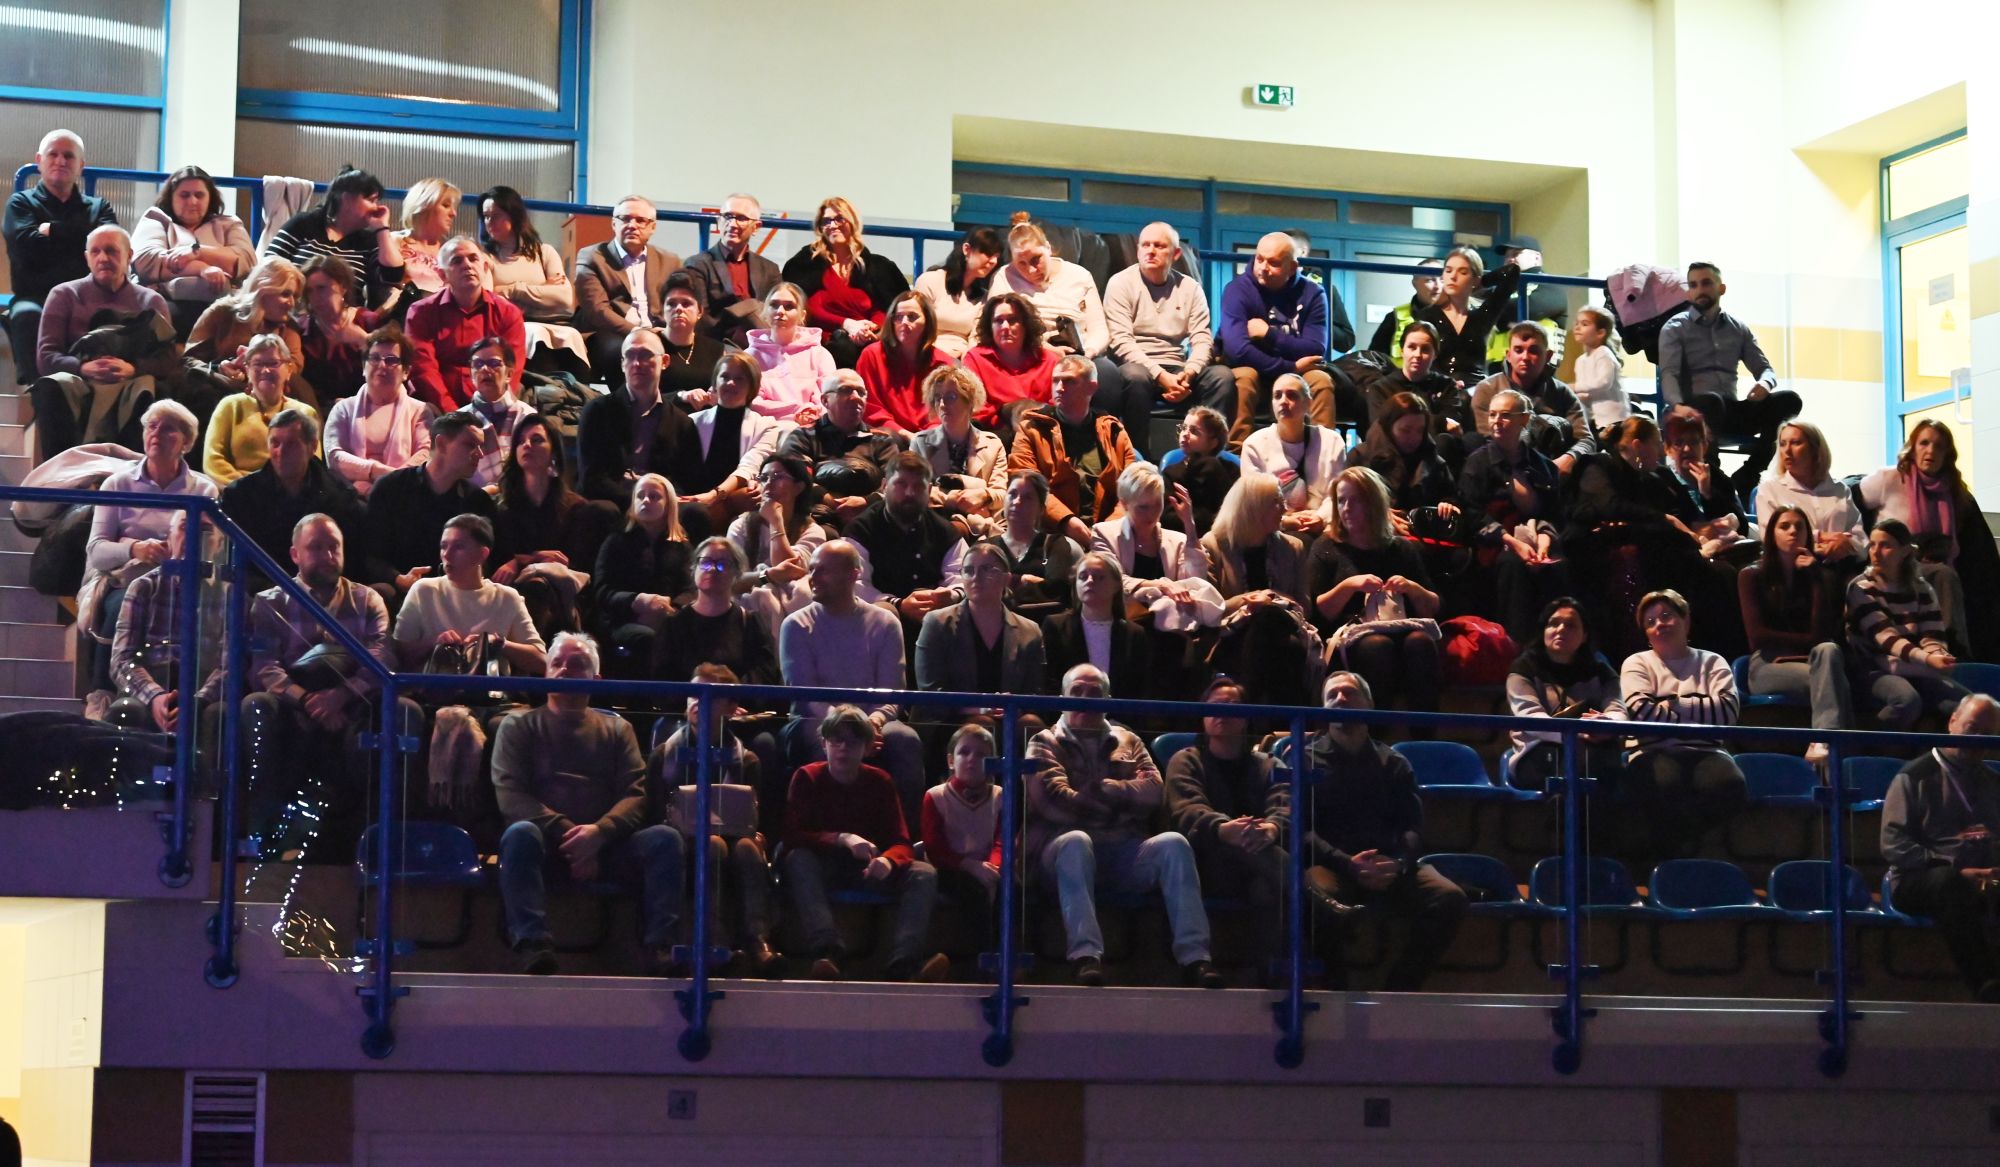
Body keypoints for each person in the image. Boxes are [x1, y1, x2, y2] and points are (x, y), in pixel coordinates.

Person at [493, 631, 679, 976]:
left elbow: (635, 794)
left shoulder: (618, 729)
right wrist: (576, 838)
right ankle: (533, 944)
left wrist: (599, 834)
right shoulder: (517, 725)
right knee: (519, 834)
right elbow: (511, 795)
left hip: (608, 846)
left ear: (597, 679)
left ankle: (659, 946)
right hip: (545, 846)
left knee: (665, 840)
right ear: (546, 673)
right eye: (557, 663)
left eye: (576, 664)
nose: (564, 670)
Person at [1027, 663, 1223, 988]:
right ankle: (1085, 957)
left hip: (1124, 852)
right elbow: (1054, 803)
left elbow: (1154, 792)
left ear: (1107, 701)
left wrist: (1102, 791)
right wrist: (1122, 800)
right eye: (1077, 692)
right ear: (1062, 698)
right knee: (1076, 840)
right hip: (1061, 853)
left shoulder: (1128, 740)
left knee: (1173, 844)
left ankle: (1196, 959)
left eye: (1094, 693)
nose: (1085, 700)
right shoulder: (1043, 742)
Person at [242, 513, 418, 855]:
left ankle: (380, 842)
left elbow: (382, 657)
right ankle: (263, 837)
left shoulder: (367, 599)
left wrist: (340, 696)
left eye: (334, 547)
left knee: (405, 711)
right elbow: (264, 668)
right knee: (256, 706)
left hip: (354, 702)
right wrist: (307, 700)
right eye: (316, 547)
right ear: (295, 554)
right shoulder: (269, 602)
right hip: (294, 703)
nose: (327, 555)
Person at [1303, 671, 1468, 990]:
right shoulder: (1304, 759)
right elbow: (1300, 829)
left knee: (1449, 898)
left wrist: (1399, 863)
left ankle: (1398, 991)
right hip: (1331, 863)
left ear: (1369, 704)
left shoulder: (1393, 762)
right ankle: (1336, 991)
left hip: (1388, 863)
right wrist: (1346, 863)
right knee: (1314, 895)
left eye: (1349, 693)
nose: (1340, 699)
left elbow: (1413, 826)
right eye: (1332, 695)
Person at [781, 705, 949, 982]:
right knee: (797, 858)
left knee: (924, 873)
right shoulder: (807, 777)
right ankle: (827, 952)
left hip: (867, 868)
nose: (843, 748)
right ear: (824, 744)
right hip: (823, 866)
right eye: (836, 740)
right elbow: (792, 836)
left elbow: (901, 841)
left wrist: (888, 861)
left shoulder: (880, 781)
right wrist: (841, 838)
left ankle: (905, 962)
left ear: (868, 747)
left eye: (853, 741)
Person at [778, 540, 929, 826]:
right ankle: (820, 836)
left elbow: (892, 691)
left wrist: (872, 724)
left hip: (873, 722)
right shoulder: (795, 625)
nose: (813, 578)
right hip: (816, 720)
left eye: (823, 570)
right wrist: (851, 729)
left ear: (853, 575)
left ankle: (904, 836)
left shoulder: (885, 623)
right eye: (812, 569)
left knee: (905, 739)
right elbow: (805, 695)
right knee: (823, 738)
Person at [80, 401, 215, 713]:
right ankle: (103, 693)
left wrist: (176, 548)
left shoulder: (203, 490)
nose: (156, 433)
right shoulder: (118, 484)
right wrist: (134, 548)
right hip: (125, 577)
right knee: (123, 603)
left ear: (186, 442)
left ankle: (185, 696)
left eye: (168, 429)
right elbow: (96, 550)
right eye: (151, 426)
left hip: (182, 579)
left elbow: (210, 546)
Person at [650, 662, 782, 976]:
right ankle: (715, 942)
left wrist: (757, 833)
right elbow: (653, 813)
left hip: (733, 837)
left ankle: (758, 940)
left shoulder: (747, 760)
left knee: (747, 848)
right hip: (681, 838)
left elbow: (755, 816)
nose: (697, 702)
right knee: (714, 845)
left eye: (708, 695)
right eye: (693, 694)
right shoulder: (664, 755)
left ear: (732, 707)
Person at [1880, 693, 2000, 1003]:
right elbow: (1894, 845)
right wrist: (1955, 869)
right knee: (1949, 884)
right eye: (1972, 728)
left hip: (1983, 878)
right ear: (1952, 722)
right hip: (1919, 879)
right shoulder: (1914, 776)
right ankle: (1986, 983)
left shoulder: (1993, 782)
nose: (1978, 740)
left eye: (1987, 734)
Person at [1165, 676, 1290, 967]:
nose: (1224, 712)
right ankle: (1320, 903)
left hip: (1260, 864)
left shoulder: (1268, 763)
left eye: (1233, 705)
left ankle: (1266, 976)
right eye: (1216, 705)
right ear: (1203, 715)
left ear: (1246, 717)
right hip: (1205, 864)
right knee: (1273, 866)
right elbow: (1187, 810)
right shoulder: (1186, 760)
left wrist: (1271, 828)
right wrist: (1224, 829)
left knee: (1265, 890)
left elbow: (1286, 805)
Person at [1619, 589, 1748, 858]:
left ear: (1686, 621)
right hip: (1651, 750)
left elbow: (1727, 713)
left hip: (1707, 751)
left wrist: (1674, 703)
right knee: (1663, 782)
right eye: (1651, 622)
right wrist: (1701, 707)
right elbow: (1641, 712)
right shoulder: (1636, 663)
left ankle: (1663, 849)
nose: (1659, 624)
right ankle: (1677, 855)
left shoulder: (1713, 662)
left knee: (1730, 784)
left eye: (1667, 616)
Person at [1857, 420, 1999, 661]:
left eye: (1939, 446)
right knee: (1944, 576)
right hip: (1892, 563)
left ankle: (1949, 651)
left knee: (1949, 576)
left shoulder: (1954, 492)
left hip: (1931, 565)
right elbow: (1851, 506)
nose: (1930, 451)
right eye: (1924, 443)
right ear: (1912, 447)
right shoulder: (1889, 478)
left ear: (1947, 455)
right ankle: (1952, 649)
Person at [29, 224, 175, 457]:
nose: (103, 258)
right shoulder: (63, 294)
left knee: (152, 388)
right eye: (95, 252)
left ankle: (132, 472)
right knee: (50, 387)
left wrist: (134, 368)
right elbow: (46, 357)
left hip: (131, 381)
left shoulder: (151, 301)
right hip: (78, 381)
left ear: (129, 255)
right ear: (87, 258)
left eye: (111, 251)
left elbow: (167, 359)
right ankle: (61, 471)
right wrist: (82, 367)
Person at [1657, 261, 1802, 494]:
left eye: (1706, 283)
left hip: (1730, 410)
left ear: (1721, 288)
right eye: (1693, 285)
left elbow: (1766, 369)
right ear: (1688, 292)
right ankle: (1713, 477)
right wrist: (1678, 406)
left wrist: (1764, 384)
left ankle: (1750, 472)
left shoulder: (1738, 328)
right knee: (1712, 401)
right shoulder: (1675, 327)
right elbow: (1669, 373)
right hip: (1694, 412)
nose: (1700, 290)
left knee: (1790, 400)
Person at [1309, 466, 1442, 716]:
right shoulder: (1326, 547)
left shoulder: (1401, 548)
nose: (1346, 508)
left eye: (1355, 500)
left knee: (1421, 642)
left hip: (1398, 627)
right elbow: (1319, 612)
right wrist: (1349, 585)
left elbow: (1433, 607)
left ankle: (1425, 731)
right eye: (1341, 501)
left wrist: (1411, 588)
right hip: (1348, 637)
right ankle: (1375, 732)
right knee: (1377, 646)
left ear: (1373, 503)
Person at [1102, 220, 1237, 443]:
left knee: (1221, 377)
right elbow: (1121, 341)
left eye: (1159, 246)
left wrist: (1190, 372)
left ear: (1175, 254)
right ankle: (1136, 454)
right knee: (1135, 377)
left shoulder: (1190, 288)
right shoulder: (1120, 283)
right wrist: (1161, 376)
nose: (1150, 251)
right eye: (1145, 245)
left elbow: (1202, 339)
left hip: (1178, 368)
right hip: (1136, 366)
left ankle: (1207, 451)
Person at [1456, 389, 1571, 641]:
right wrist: (1511, 541)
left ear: (1524, 420)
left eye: (1505, 415)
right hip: (1495, 543)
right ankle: (1516, 645)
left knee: (1557, 565)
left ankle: (1558, 643)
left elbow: (1554, 512)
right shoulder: (1477, 463)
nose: (1497, 421)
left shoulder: (1542, 465)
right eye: (1493, 414)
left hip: (1536, 537)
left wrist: (1545, 540)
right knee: (1513, 565)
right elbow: (1472, 515)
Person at [1217, 231, 1347, 449]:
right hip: (1257, 367)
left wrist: (1269, 335)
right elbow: (1238, 350)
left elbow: (1315, 348)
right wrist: (1291, 366)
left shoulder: (1313, 293)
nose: (1263, 267)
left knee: (1320, 381)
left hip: (1296, 372)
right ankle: (1237, 456)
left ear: (1292, 267)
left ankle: (1323, 455)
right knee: (1244, 378)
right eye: (1259, 259)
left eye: (1274, 263)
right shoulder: (1237, 289)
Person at [6, 128, 117, 383]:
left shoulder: (100, 207)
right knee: (26, 316)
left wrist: (52, 231)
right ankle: (39, 393)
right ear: (39, 160)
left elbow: (110, 249)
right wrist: (84, 241)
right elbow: (26, 249)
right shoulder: (20, 204)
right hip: (37, 298)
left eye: (68, 156)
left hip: (90, 298)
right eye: (53, 154)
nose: (60, 161)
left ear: (81, 165)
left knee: (117, 318)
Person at [493, 413, 616, 640]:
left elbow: (573, 566)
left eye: (536, 439)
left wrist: (522, 560)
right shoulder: (502, 508)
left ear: (554, 453)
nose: (526, 445)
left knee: (539, 588)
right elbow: (498, 562)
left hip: (563, 596)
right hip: (512, 593)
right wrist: (530, 559)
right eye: (520, 441)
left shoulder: (576, 508)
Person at [1201, 473, 1317, 706]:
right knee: (1287, 647)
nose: (1285, 509)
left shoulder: (1293, 547)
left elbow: (1304, 607)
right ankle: (1287, 721)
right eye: (1276, 502)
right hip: (1230, 635)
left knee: (1270, 623)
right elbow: (1210, 609)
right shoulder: (1213, 545)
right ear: (1253, 507)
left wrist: (1270, 599)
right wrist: (1250, 599)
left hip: (1282, 627)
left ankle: (1249, 707)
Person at [1738, 506, 1851, 738]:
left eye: (1799, 527)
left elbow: (1823, 634)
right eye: (1784, 526)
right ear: (1772, 534)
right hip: (1767, 664)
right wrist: (1809, 640)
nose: (1793, 531)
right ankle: (1833, 742)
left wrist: (1815, 578)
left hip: (1813, 661)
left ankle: (1826, 741)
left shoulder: (1818, 575)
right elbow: (1758, 637)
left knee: (1828, 651)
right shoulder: (1751, 575)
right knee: (1832, 679)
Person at [1845, 520, 1969, 730]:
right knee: (1906, 701)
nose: (1875, 552)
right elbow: (1887, 638)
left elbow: (1932, 634)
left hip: (1915, 667)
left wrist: (1938, 654)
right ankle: (1868, 744)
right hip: (1873, 668)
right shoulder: (1861, 587)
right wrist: (1928, 659)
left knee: (1969, 706)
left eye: (1885, 545)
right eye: (1872, 545)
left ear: (1905, 551)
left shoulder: (1921, 588)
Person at [108, 511, 223, 733]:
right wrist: (155, 697)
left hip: (203, 686)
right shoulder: (144, 587)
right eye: (184, 527)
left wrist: (199, 701)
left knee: (220, 716)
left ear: (218, 545)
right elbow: (121, 660)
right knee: (125, 711)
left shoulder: (229, 596)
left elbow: (230, 665)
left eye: (205, 531)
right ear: (169, 538)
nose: (193, 536)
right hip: (151, 680)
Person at [218, 407, 365, 581]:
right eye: (275, 443)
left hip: (323, 590)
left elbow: (350, 562)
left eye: (291, 444)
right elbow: (233, 563)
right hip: (258, 592)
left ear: (312, 447)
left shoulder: (341, 497)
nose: (280, 452)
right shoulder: (239, 496)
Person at [360, 412, 496, 599]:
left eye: (480, 446)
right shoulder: (390, 488)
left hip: (459, 595)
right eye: (470, 445)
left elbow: (489, 560)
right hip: (403, 594)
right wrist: (398, 579)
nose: (480, 454)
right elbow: (371, 555)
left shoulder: (477, 501)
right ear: (441, 444)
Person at [1008, 356, 1140, 547]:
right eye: (1055, 380)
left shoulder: (1113, 431)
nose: (1059, 388)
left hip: (1109, 535)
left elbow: (1132, 489)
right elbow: (1025, 483)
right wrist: (1066, 521)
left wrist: (1110, 528)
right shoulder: (1032, 428)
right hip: (1052, 535)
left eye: (1070, 381)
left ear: (1091, 387)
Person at [392, 512, 548, 674]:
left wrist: (498, 643)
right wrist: (434, 643)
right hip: (433, 687)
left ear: (482, 554)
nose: (446, 554)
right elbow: (399, 652)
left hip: (489, 688)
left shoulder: (506, 597)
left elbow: (541, 661)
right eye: (444, 546)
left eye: (458, 547)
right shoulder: (424, 590)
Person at [1504, 598, 1629, 793]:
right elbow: (1530, 717)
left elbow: (1618, 711)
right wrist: (1573, 733)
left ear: (1584, 635)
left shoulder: (1602, 671)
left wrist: (1606, 724)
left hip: (1591, 749)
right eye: (1553, 623)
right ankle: (1567, 813)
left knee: (1607, 763)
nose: (1561, 629)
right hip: (1537, 753)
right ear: (1543, 631)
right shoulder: (1524, 668)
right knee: (1579, 761)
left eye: (1570, 625)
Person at [915, 540, 1048, 716]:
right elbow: (930, 691)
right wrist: (979, 710)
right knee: (982, 724)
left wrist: (1013, 706)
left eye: (986, 569)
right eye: (968, 571)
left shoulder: (1030, 630)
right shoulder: (937, 622)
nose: (976, 577)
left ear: (1006, 579)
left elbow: (1035, 693)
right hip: (950, 719)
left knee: (1030, 723)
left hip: (1009, 716)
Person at [846, 453, 969, 642]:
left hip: (936, 620)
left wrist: (950, 595)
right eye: (901, 484)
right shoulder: (860, 530)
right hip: (880, 623)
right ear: (885, 486)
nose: (910, 493)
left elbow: (965, 574)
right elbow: (856, 584)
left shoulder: (945, 530)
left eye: (918, 486)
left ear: (929, 490)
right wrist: (899, 604)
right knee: (883, 613)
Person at [780, 196, 910, 368]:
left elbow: (887, 307)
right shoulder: (804, 264)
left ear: (852, 222)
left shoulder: (878, 266)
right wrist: (847, 324)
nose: (833, 225)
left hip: (870, 337)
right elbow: (808, 308)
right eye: (826, 221)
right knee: (843, 347)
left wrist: (871, 328)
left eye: (839, 219)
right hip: (825, 341)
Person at [574, 328, 698, 507]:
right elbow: (591, 479)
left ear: (664, 361)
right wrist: (638, 500)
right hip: (611, 503)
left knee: (694, 512)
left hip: (661, 507)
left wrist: (661, 501)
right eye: (630, 356)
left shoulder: (682, 423)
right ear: (622, 364)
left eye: (645, 355)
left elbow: (687, 481)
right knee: (604, 511)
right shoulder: (597, 411)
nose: (636, 363)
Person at [404, 236, 526, 412]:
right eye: (457, 261)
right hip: (435, 409)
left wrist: (487, 412)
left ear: (485, 268)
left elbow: (510, 371)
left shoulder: (508, 313)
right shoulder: (421, 312)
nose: (467, 265)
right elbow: (423, 371)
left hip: (492, 409)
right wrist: (455, 416)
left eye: (473, 258)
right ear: (442, 275)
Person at [572, 195, 684, 388]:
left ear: (652, 227)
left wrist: (668, 330)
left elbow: (677, 300)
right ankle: (629, 406)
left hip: (658, 329)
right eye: (625, 219)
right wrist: (637, 332)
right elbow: (598, 311)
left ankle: (676, 403)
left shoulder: (670, 261)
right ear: (614, 224)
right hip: (609, 332)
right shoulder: (592, 256)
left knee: (692, 354)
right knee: (628, 353)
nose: (632, 225)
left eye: (640, 220)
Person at [589, 474, 695, 676]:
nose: (646, 500)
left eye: (654, 496)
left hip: (668, 618)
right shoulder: (616, 541)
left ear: (669, 505)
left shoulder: (682, 547)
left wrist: (671, 609)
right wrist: (637, 601)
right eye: (640, 496)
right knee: (647, 638)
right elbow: (602, 591)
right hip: (622, 619)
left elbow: (690, 590)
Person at [131, 164, 256, 331]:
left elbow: (246, 261)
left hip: (225, 307)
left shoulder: (229, 224)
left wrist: (197, 252)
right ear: (171, 197)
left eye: (199, 195)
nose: (192, 201)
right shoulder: (155, 219)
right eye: (184, 195)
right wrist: (203, 269)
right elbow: (147, 261)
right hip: (166, 304)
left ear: (210, 197)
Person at [262, 166, 405, 311]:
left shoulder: (368, 241)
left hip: (343, 318)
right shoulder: (305, 223)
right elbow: (268, 266)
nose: (376, 208)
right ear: (347, 198)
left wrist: (382, 229)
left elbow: (393, 276)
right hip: (291, 313)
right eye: (371, 200)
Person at [675, 350, 787, 533]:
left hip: (734, 500)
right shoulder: (692, 421)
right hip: (694, 498)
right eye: (725, 377)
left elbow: (749, 467)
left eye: (739, 379)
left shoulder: (766, 426)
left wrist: (714, 496)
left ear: (752, 386)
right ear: (715, 382)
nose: (730, 383)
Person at [776, 369, 902, 530]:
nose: (856, 397)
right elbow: (793, 477)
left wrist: (867, 502)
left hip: (871, 521)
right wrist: (830, 501)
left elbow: (896, 481)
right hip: (816, 520)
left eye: (861, 392)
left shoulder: (881, 440)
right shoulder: (804, 436)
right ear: (825, 400)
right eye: (846, 390)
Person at [1090, 461, 1211, 623]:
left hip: (1170, 623)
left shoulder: (1179, 541)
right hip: (1124, 623)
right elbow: (1111, 580)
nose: (1152, 514)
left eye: (1157, 505)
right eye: (1143, 507)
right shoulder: (1103, 533)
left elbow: (1196, 582)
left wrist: (1189, 526)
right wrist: (1162, 585)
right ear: (1125, 504)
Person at [322, 324, 434, 497]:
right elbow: (335, 457)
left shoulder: (420, 411)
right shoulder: (343, 409)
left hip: (405, 495)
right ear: (363, 367)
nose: (382, 365)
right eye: (374, 358)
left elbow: (426, 455)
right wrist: (375, 473)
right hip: (352, 496)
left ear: (406, 371)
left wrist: (391, 484)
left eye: (391, 360)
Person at [1468, 323, 1595, 474]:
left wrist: (1568, 459)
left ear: (1548, 356)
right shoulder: (1487, 390)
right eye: (1518, 350)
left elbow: (1586, 439)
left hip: (1557, 467)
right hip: (1504, 470)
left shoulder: (1562, 392)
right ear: (1508, 355)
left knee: (1597, 465)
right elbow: (1488, 440)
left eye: (1533, 351)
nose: (1525, 357)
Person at [921, 723, 1003, 946]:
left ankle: (1012, 955)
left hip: (989, 866)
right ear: (951, 760)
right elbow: (935, 848)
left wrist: (993, 867)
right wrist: (970, 866)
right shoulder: (936, 796)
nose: (971, 759)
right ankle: (984, 956)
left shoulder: (1000, 796)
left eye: (981, 754)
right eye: (964, 752)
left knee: (1016, 889)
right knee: (972, 888)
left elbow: (1002, 840)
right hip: (950, 868)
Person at [726, 453, 827, 634]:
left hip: (794, 610)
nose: (768, 484)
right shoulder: (741, 526)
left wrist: (775, 521)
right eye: (764, 478)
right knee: (763, 594)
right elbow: (730, 581)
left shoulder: (812, 531)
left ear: (799, 487)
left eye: (778, 477)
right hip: (746, 608)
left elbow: (789, 570)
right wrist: (768, 576)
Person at [202, 333, 320, 487]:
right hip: (239, 492)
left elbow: (314, 465)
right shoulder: (230, 406)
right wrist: (249, 488)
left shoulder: (305, 413)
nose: (265, 370)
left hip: (290, 494)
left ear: (289, 369)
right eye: (258, 364)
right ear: (247, 369)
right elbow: (213, 460)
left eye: (273, 363)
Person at [187, 256, 306, 403]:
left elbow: (293, 370)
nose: (292, 303)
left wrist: (256, 366)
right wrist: (219, 367)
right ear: (262, 289)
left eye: (295, 296)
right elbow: (187, 361)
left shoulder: (288, 327)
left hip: (267, 398)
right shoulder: (223, 312)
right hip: (218, 392)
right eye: (285, 294)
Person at [1239, 373, 1342, 541]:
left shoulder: (1332, 441)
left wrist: (1320, 517)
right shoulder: (1254, 444)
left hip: (1322, 527)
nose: (1283, 401)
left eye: (1292, 395)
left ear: (1308, 403)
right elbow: (1254, 502)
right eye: (1277, 396)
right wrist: (1284, 521)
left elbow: (1337, 494)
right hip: (1274, 529)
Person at [909, 365, 1008, 537]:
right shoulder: (920, 443)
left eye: (951, 397)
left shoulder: (993, 444)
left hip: (985, 528)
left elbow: (1001, 494)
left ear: (970, 401)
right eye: (938, 398)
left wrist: (983, 495)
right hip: (936, 525)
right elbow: (916, 491)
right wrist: (959, 499)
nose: (942, 404)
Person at [1754, 421, 1866, 565]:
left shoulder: (1840, 490)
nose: (1787, 450)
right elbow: (1770, 538)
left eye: (1795, 443)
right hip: (1794, 569)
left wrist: (1846, 542)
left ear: (1815, 449)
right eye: (1782, 444)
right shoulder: (1770, 489)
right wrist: (1820, 536)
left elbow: (1860, 539)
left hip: (1840, 567)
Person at [1416, 244, 1527, 389]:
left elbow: (1512, 272)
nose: (1453, 277)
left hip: (1476, 390)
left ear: (1475, 279)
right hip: (1440, 388)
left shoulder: (1483, 314)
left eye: (1462, 272)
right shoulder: (1428, 315)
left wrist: (1482, 282)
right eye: (1448, 271)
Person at [1041, 552, 1150, 698]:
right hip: (1069, 710)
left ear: (1116, 585)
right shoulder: (1056, 626)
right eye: (1083, 577)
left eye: (1099, 577)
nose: (1090, 581)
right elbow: (1049, 679)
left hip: (1119, 711)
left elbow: (1139, 686)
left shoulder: (1134, 633)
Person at [684, 193, 781, 347]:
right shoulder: (697, 265)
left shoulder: (769, 269)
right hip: (717, 346)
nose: (732, 224)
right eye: (728, 216)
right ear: (719, 222)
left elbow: (775, 312)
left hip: (763, 346)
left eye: (741, 218)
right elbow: (700, 318)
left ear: (756, 227)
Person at [985, 469, 1084, 617]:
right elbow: (979, 589)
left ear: (1041, 509)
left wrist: (1007, 581)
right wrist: (1026, 581)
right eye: (1012, 494)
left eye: (1027, 497)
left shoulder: (1054, 544)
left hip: (1043, 625)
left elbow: (1058, 592)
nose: (1017, 502)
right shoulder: (987, 548)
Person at [855, 289, 951, 440]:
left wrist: (926, 437)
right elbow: (870, 408)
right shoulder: (871, 355)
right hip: (886, 435)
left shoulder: (942, 363)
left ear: (927, 322)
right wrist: (906, 435)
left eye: (912, 317)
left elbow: (943, 410)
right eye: (898, 317)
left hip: (931, 437)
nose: (904, 322)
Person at [1346, 392, 1459, 520]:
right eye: (1405, 430)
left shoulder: (1433, 462)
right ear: (1388, 427)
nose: (1414, 437)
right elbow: (1348, 503)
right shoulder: (1360, 457)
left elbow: (1450, 497)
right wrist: (1380, 515)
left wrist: (1447, 505)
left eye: (1420, 431)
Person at [1375, 321, 1473, 467]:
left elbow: (1453, 425)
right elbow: (1381, 430)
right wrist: (1439, 422)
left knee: (1449, 442)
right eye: (1412, 347)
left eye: (1425, 349)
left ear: (1435, 354)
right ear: (1402, 351)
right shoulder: (1381, 388)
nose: (1417, 355)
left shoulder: (1446, 385)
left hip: (1436, 455)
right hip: (1394, 456)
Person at [444, 336, 535, 489]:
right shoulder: (458, 421)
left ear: (509, 374)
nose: (485, 369)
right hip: (471, 499)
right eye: (478, 364)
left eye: (494, 363)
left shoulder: (528, 417)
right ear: (471, 374)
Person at [1661, 406, 1751, 559]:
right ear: (1668, 449)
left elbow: (1742, 527)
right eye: (1679, 443)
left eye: (1694, 442)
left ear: (1704, 446)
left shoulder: (1719, 479)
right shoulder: (1662, 481)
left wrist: (1708, 493)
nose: (1687, 449)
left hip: (1726, 553)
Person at [478, 184, 576, 323]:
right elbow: (488, 302)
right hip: (509, 325)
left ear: (514, 215)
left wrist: (513, 290)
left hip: (552, 323)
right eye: (486, 216)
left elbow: (564, 298)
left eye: (496, 215)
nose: (489, 222)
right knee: (535, 332)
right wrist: (543, 289)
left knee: (571, 334)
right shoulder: (483, 258)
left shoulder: (545, 252)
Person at [960, 292, 1058, 429]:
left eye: (1012, 320)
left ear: (1026, 325)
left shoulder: (1049, 360)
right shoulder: (975, 358)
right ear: (990, 326)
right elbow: (976, 410)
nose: (1005, 326)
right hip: (995, 433)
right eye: (998, 321)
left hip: (1043, 430)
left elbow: (1059, 407)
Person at [745, 281, 837, 423]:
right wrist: (797, 410)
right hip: (766, 427)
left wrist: (812, 414)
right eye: (774, 305)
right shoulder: (750, 356)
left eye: (789, 307)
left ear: (802, 315)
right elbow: (752, 401)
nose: (780, 311)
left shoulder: (820, 355)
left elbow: (829, 398)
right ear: (765, 311)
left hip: (812, 426)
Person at [296, 253, 382, 403]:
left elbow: (389, 375)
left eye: (322, 288)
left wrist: (364, 340)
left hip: (366, 405)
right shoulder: (302, 329)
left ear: (343, 287)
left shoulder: (368, 322)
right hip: (318, 409)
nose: (316, 297)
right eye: (310, 291)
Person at [912, 226, 1002, 359]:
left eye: (996, 256)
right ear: (967, 249)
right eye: (987, 253)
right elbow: (916, 326)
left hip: (962, 360)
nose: (993, 261)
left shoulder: (983, 297)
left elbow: (975, 339)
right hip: (927, 355)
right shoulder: (930, 281)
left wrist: (964, 357)